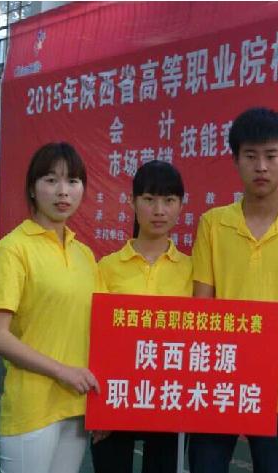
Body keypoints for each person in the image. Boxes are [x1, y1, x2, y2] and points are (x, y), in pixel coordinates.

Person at [189, 107, 278, 473]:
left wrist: (266, 357)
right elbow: (202, 304)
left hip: (275, 391)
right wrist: (233, 361)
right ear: (235, 161)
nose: (261, 167)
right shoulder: (213, 224)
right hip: (217, 381)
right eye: (251, 156)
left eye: (271, 156)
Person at [0, 142, 101, 473]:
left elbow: (101, 329)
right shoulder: (13, 249)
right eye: (51, 180)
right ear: (32, 189)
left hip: (75, 405)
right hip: (32, 407)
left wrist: (103, 406)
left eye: (73, 181)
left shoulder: (84, 255)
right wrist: (61, 371)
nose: (63, 191)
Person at [91, 160, 192, 473]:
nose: (159, 210)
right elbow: (97, 339)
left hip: (169, 399)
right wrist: (100, 409)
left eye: (169, 200)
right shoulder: (107, 267)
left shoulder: (194, 271)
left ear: (181, 206)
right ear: (132, 203)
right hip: (115, 397)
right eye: (149, 199)